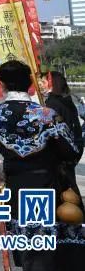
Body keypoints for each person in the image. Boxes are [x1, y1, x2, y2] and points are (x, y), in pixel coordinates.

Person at [0, 61, 81, 270]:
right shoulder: (46, 115)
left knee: (24, 244)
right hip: (44, 184)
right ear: (30, 82)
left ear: (1, 84)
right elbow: (71, 150)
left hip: (14, 186)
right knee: (45, 250)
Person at [44, 71, 84, 200]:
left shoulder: (53, 103)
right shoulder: (66, 100)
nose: (40, 85)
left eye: (44, 82)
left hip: (62, 150)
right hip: (74, 147)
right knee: (69, 184)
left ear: (52, 84)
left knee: (65, 187)